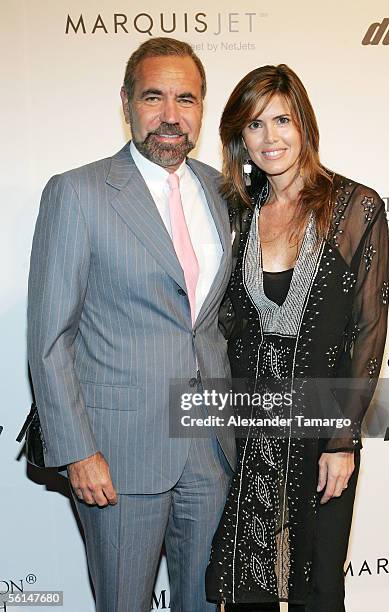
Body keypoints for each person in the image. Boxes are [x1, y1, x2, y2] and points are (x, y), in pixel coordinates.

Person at [27, 37, 236, 612]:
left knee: (204, 601)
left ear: (201, 107)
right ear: (126, 103)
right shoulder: (78, 192)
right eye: (154, 97)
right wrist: (77, 450)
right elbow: (50, 339)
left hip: (210, 447)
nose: (171, 115)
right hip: (118, 452)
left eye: (186, 99)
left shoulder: (224, 190)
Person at [205, 64, 389, 611]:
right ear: (240, 137)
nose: (270, 138)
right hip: (248, 428)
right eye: (254, 125)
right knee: (246, 590)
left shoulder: (357, 207)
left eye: (281, 120)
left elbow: (367, 333)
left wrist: (340, 440)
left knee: (320, 590)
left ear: (303, 123)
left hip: (320, 428)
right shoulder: (235, 212)